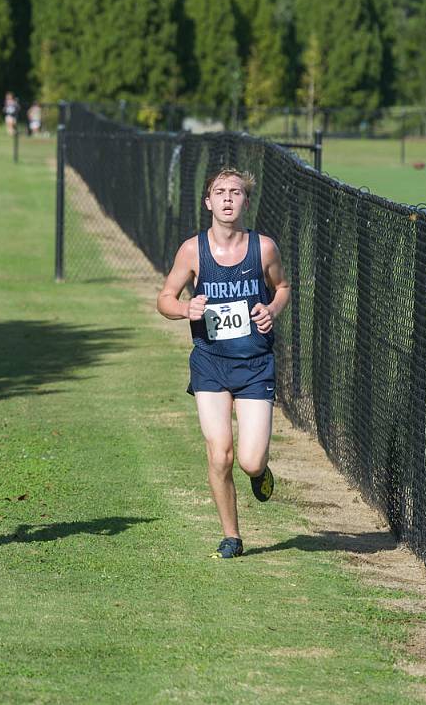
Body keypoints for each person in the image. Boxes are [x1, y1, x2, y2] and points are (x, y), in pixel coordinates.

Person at [156, 167, 290, 559]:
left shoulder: (263, 248)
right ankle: (231, 535)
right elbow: (164, 298)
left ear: (246, 202)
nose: (228, 198)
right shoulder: (191, 250)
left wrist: (272, 308)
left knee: (248, 461)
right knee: (220, 453)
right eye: (221, 192)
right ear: (208, 202)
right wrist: (186, 308)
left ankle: (259, 473)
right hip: (210, 363)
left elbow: (282, 287)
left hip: (254, 365)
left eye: (236, 192)